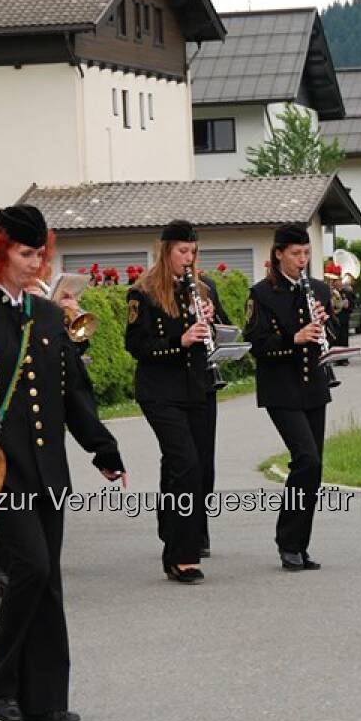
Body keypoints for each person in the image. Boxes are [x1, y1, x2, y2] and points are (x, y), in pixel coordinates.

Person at [0, 204, 125, 721]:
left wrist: (102, 450)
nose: (35, 263)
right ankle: (2, 680)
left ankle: (45, 697)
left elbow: (73, 394)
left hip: (49, 470)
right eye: (24, 253)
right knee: (29, 568)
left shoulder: (50, 316)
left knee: (47, 578)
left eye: (40, 253)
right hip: (2, 473)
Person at [125, 220, 217, 583]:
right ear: (165, 251)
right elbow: (135, 345)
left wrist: (210, 321)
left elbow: (222, 333)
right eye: (182, 251)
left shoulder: (202, 289)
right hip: (159, 391)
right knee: (186, 464)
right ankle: (182, 556)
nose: (188, 258)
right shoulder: (142, 292)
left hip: (197, 388)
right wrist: (180, 340)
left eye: (193, 251)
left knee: (191, 468)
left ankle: (172, 531)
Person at [244, 223, 335, 571]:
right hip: (281, 388)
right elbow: (257, 344)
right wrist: (293, 339)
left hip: (314, 387)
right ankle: (288, 542)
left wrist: (326, 324)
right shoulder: (262, 294)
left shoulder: (319, 289)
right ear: (279, 253)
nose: (302, 260)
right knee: (306, 459)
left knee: (314, 468)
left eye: (306, 253)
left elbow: (333, 335)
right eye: (295, 253)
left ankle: (299, 544)